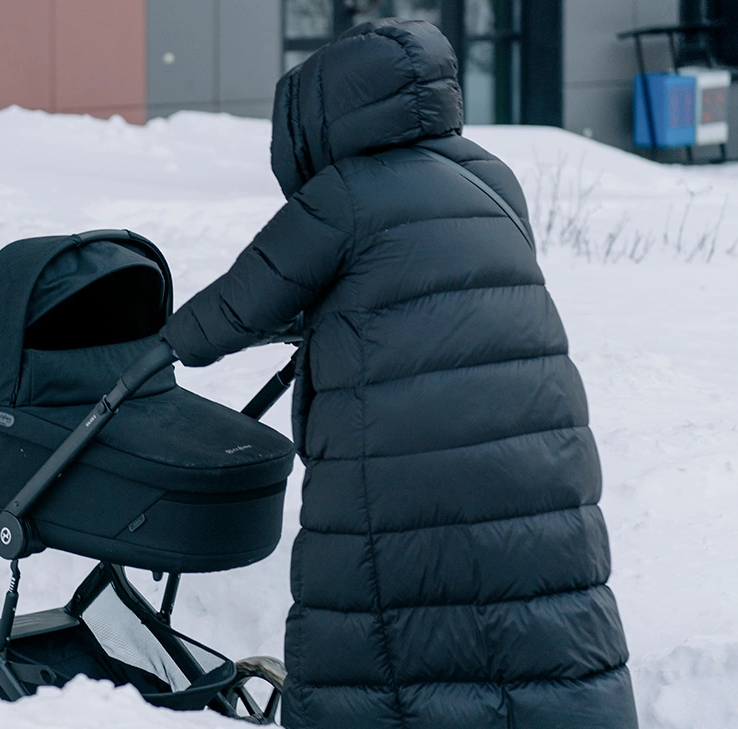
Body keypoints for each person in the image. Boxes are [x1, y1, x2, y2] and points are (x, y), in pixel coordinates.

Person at [161, 18, 638, 729]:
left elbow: (232, 309)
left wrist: (157, 341)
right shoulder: (491, 175)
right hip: (536, 454)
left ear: (321, 117)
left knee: (387, 628)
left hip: (400, 462)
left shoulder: (344, 195)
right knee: (534, 616)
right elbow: (433, 279)